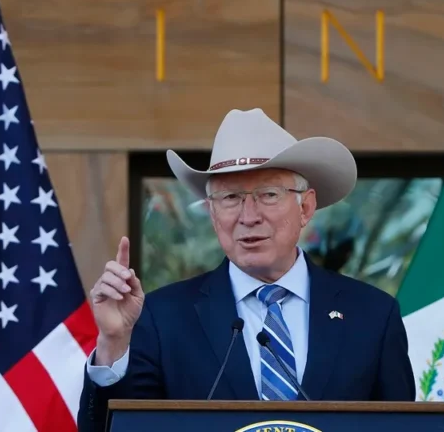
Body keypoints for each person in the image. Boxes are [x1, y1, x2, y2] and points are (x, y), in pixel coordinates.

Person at [76, 108, 415, 432]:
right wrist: (113, 344)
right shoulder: (162, 318)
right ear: (212, 214)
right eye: (231, 198)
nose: (248, 216)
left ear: (306, 207)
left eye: (268, 194)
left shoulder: (372, 315)